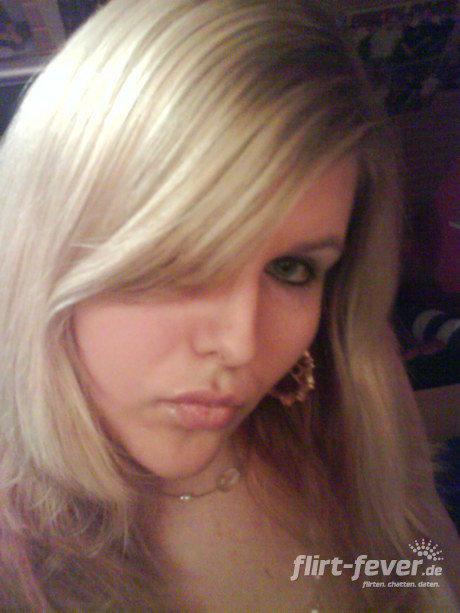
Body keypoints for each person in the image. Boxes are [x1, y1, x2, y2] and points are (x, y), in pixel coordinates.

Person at [0, 0, 458, 610]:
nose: (242, 345)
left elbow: (421, 563)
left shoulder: (352, 392)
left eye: (292, 269)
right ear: (49, 249)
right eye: (184, 255)